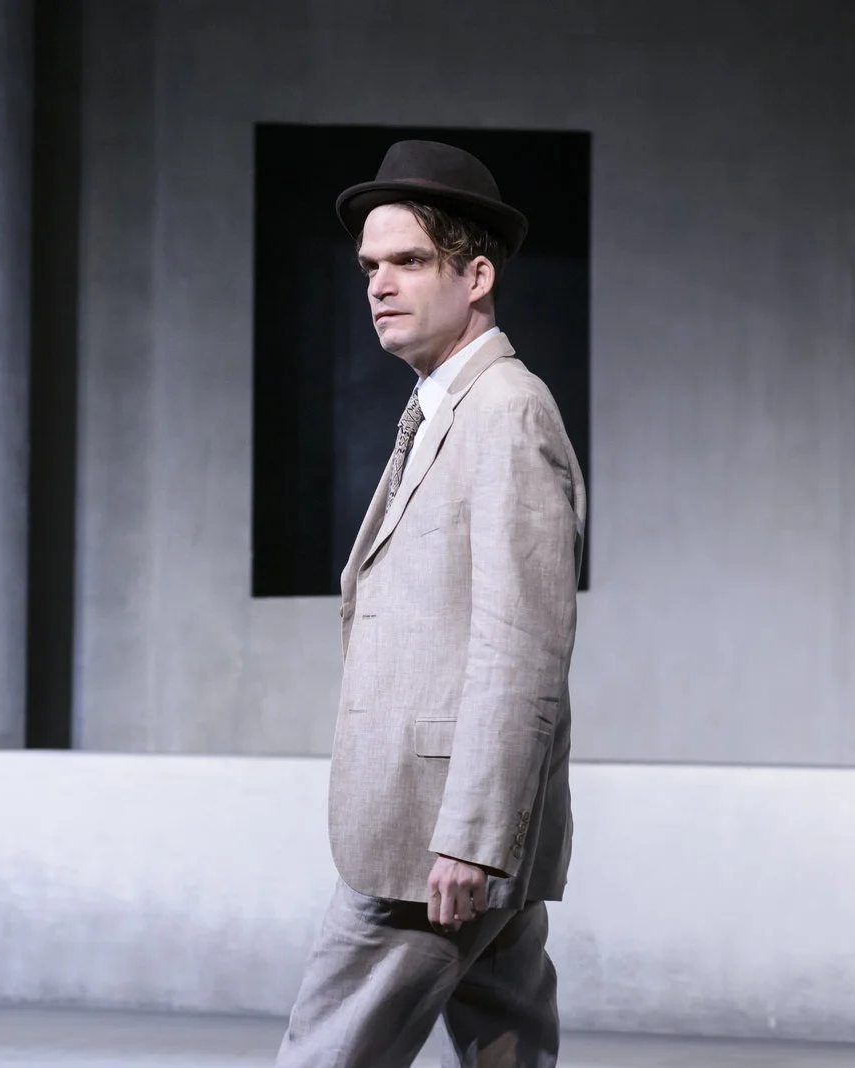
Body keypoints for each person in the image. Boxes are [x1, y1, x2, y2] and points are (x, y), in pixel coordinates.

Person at [276, 140, 587, 1068]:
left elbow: (521, 643)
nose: (380, 285)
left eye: (409, 261)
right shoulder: (445, 408)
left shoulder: (505, 412)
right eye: (369, 266)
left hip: (435, 837)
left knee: (328, 1052)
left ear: (476, 276)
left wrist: (475, 839)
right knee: (507, 1044)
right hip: (451, 825)